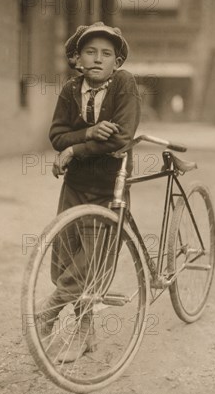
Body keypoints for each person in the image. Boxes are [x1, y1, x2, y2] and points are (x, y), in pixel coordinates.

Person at [38, 22, 141, 363]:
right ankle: (87, 335)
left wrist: (75, 149)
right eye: (90, 52)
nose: (98, 59)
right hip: (75, 186)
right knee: (66, 257)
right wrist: (90, 133)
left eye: (106, 54)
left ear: (117, 61)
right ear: (77, 58)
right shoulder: (71, 90)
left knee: (91, 261)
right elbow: (56, 135)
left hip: (108, 186)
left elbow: (122, 136)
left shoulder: (124, 84)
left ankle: (49, 312)